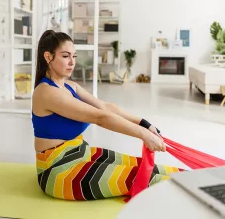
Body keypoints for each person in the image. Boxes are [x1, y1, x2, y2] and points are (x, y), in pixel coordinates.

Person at [32, 30, 182, 201]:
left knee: (146, 167)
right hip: (58, 171)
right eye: (65, 56)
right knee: (149, 178)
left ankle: (202, 179)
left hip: (82, 153)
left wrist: (144, 124)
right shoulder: (46, 92)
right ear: (48, 57)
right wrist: (144, 135)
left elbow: (105, 107)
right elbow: (100, 117)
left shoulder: (69, 86)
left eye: (74, 56)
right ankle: (202, 190)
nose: (72, 62)